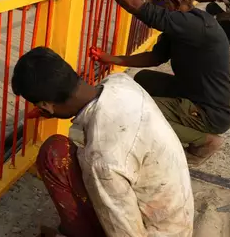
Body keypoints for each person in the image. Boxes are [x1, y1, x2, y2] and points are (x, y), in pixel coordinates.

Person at [12, 47, 194, 237]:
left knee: (55, 153)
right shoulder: (120, 82)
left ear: (46, 106)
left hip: (152, 232)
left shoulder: (103, 160)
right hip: (175, 222)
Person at [73, 0, 230, 166]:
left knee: (135, 110)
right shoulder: (183, 25)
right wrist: (112, 59)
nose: (156, 10)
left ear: (174, 3)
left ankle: (204, 141)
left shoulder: (195, 25)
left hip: (209, 113)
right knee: (143, 79)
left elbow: (136, 7)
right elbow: (156, 57)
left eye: (158, 5)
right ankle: (154, 129)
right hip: (195, 95)